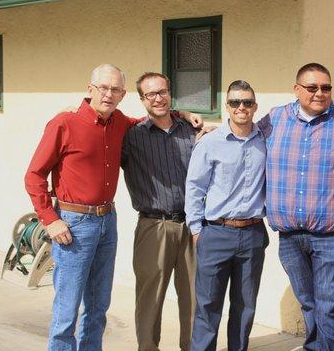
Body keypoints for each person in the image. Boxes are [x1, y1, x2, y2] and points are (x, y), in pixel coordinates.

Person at [24, 64, 200, 351]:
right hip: (73, 223)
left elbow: (158, 116)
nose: (109, 94)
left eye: (115, 89)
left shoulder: (120, 123)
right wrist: (49, 219)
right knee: (67, 308)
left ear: (123, 94)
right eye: (103, 88)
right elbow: (33, 175)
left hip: (108, 220)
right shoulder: (64, 123)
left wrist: (183, 114)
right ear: (90, 88)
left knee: (98, 305)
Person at [258, 63, 334, 351]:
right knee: (309, 303)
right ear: (296, 89)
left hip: (333, 236)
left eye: (326, 87)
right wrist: (192, 121)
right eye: (312, 87)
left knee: (330, 306)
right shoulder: (274, 120)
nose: (320, 93)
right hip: (289, 238)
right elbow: (242, 137)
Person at [185, 80, 268, 351]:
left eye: (247, 102)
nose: (241, 107)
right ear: (227, 106)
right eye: (235, 102)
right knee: (208, 306)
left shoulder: (267, 140)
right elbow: (195, 187)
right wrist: (196, 229)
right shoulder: (210, 143)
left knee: (245, 307)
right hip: (216, 233)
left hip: (253, 233)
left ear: (255, 106)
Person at [121, 72, 197, 351]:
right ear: (141, 99)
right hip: (154, 226)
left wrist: (187, 115)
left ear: (170, 93)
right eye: (150, 94)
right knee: (149, 299)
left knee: (195, 297)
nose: (158, 98)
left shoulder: (192, 130)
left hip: (193, 226)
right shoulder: (131, 136)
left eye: (162, 91)